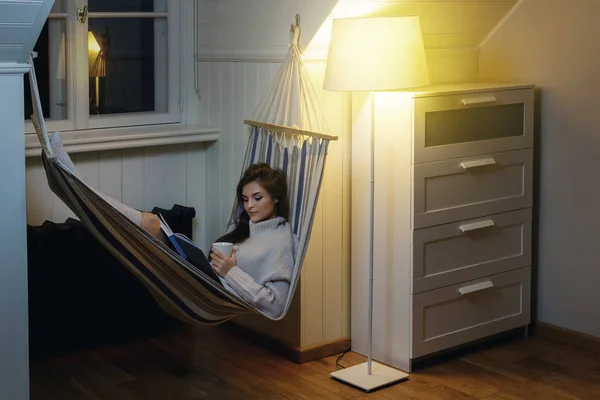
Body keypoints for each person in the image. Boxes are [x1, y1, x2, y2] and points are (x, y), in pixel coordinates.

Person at [141, 163, 297, 319]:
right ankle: (119, 217)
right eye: (245, 199)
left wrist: (230, 272)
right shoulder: (241, 230)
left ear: (276, 197)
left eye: (257, 198)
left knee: (150, 226)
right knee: (151, 231)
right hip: (205, 284)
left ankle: (118, 214)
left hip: (214, 297)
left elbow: (276, 306)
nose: (249, 206)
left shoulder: (280, 242)